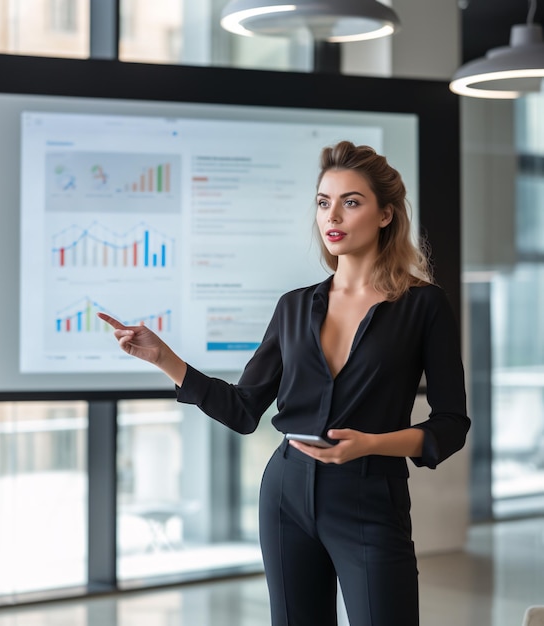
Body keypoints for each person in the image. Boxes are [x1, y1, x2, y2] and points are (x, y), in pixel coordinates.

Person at [98, 140, 470, 626]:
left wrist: (372, 445)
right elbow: (244, 409)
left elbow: (452, 424)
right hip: (286, 494)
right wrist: (165, 358)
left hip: (369, 495)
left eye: (350, 202)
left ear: (386, 215)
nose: (332, 215)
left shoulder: (424, 306)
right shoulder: (294, 306)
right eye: (323, 202)